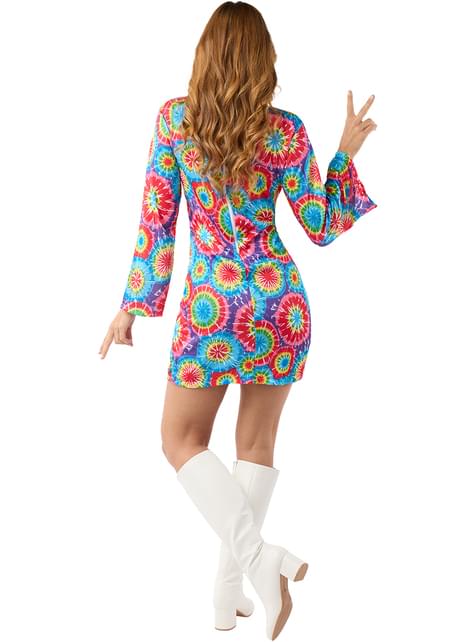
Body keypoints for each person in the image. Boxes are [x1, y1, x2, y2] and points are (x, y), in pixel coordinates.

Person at [98, 2, 378, 639]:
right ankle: (237, 590)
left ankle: (253, 567)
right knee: (254, 447)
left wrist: (133, 304)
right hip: (279, 305)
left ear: (205, 55)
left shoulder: (176, 121)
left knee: (180, 441)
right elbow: (320, 225)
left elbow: (157, 223)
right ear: (264, 61)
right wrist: (344, 155)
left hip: (213, 309)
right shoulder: (286, 131)